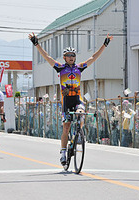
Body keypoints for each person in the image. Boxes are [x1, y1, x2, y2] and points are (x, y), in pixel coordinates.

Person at [29, 32, 113, 165]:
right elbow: (47, 56)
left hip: (77, 99)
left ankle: (79, 134)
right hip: (66, 101)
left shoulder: (80, 68)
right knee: (66, 127)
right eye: (69, 56)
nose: (71, 57)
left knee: (81, 113)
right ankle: (63, 152)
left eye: (73, 55)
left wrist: (105, 44)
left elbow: (94, 57)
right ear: (64, 57)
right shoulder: (60, 68)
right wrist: (36, 43)